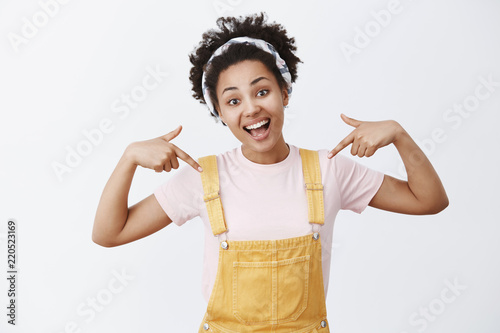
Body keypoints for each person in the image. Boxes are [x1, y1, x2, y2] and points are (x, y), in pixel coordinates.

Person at [92, 12, 448, 333]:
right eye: (233, 101)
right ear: (219, 112)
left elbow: (429, 200)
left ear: (285, 92)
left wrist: (400, 136)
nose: (251, 109)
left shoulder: (331, 169)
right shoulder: (203, 177)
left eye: (262, 91)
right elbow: (109, 233)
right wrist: (128, 159)